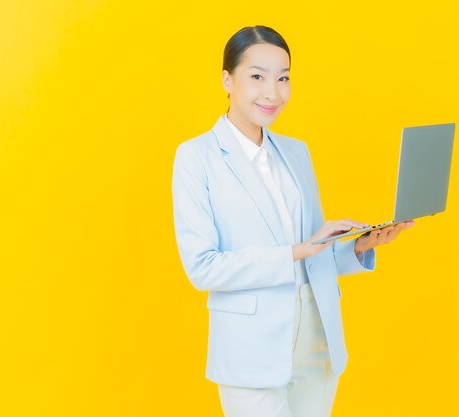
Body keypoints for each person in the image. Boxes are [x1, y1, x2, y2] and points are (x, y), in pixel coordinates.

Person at [172, 25, 415, 417]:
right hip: (252, 349)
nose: (273, 92)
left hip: (316, 339)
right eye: (257, 77)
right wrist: (297, 250)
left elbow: (312, 255)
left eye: (283, 78)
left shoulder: (296, 152)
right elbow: (204, 268)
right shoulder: (196, 157)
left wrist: (358, 246)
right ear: (227, 80)